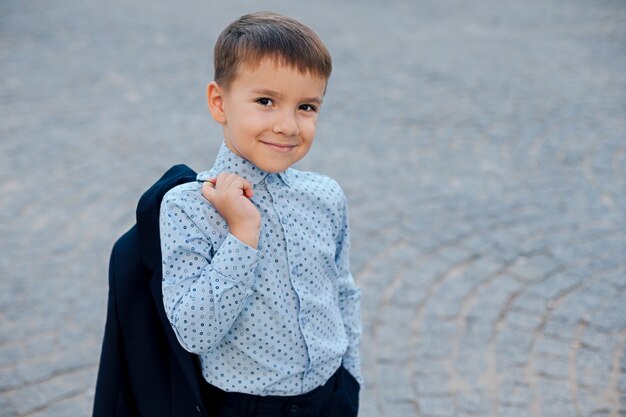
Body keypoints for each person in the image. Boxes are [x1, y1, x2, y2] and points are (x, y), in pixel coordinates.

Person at [159, 11, 362, 417]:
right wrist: (242, 232)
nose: (288, 125)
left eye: (306, 106)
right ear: (220, 102)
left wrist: (351, 377)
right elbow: (194, 333)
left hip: (332, 395)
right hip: (247, 406)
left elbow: (342, 289)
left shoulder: (325, 195)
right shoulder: (188, 206)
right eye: (266, 101)